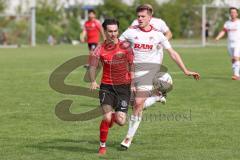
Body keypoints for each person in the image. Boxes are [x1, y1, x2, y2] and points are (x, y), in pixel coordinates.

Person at [119, 4, 200, 149]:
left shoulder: (158, 34)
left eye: (143, 16)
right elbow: (116, 45)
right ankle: (157, 96)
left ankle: (127, 139)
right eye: (138, 16)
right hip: (131, 71)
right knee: (134, 105)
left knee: (138, 103)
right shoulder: (131, 32)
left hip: (149, 72)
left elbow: (173, 53)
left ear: (150, 17)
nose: (140, 19)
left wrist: (185, 70)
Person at [88, 19, 134, 155]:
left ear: (118, 31)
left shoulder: (126, 46)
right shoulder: (100, 48)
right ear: (105, 32)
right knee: (107, 118)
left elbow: (131, 64)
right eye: (110, 31)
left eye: (115, 31)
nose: (113, 34)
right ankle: (102, 145)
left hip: (123, 87)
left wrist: (133, 80)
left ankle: (113, 116)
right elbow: (93, 66)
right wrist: (92, 81)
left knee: (121, 121)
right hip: (106, 87)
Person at [131, 4, 172, 106]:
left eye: (149, 10)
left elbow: (169, 34)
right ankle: (157, 95)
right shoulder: (137, 21)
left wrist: (161, 42)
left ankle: (156, 94)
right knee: (133, 101)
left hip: (155, 57)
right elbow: (130, 32)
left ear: (151, 12)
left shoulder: (159, 22)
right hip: (139, 57)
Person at [215, 7, 240, 80]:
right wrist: (217, 37)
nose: (233, 14)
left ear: (237, 14)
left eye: (234, 12)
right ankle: (236, 74)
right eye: (231, 12)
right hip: (229, 44)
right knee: (233, 59)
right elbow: (223, 31)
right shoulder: (227, 23)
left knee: (236, 57)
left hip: (238, 43)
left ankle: (236, 75)